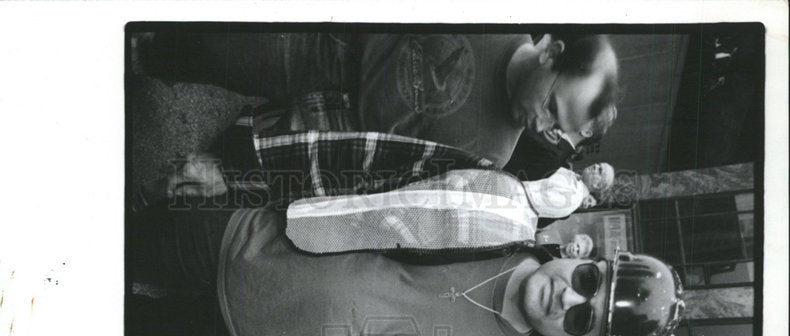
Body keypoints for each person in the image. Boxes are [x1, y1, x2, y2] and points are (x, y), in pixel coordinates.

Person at [137, 30, 619, 168]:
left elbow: (395, 169)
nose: (542, 127)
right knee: (203, 48)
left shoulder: (495, 153)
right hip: (314, 47)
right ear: (551, 54)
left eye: (556, 129)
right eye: (552, 109)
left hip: (319, 130)